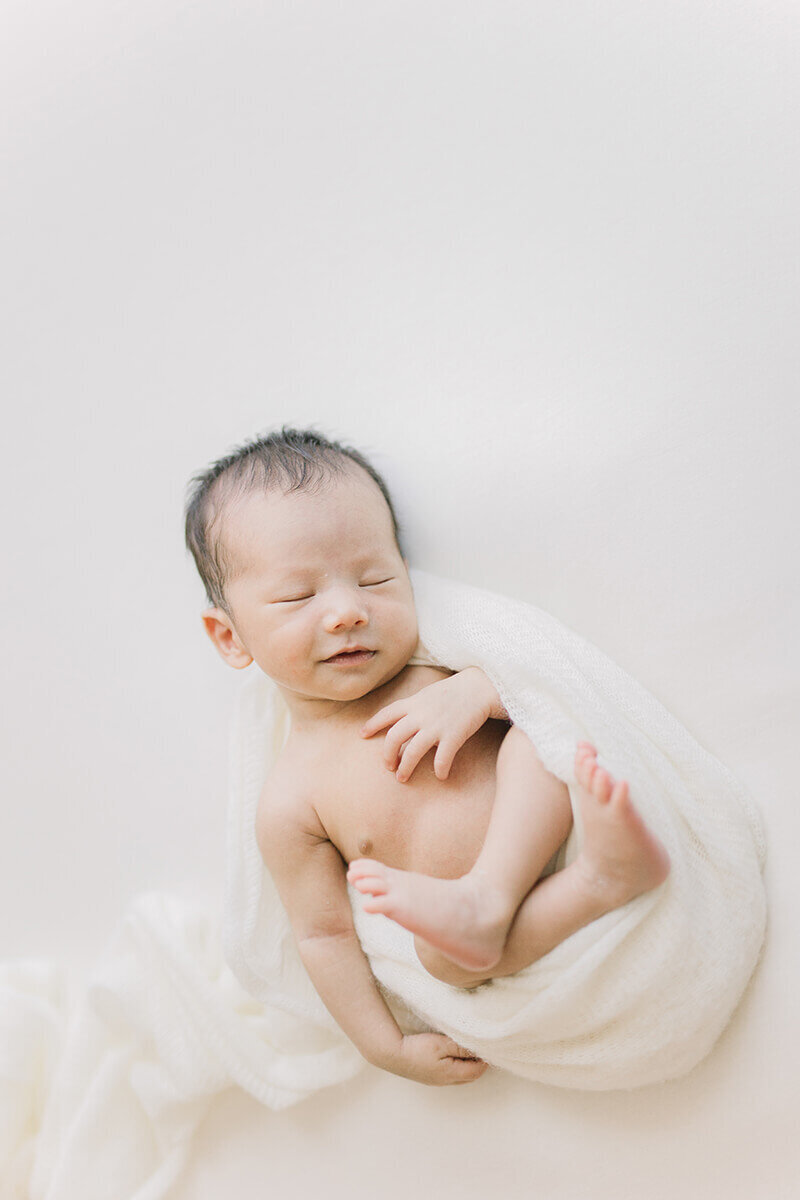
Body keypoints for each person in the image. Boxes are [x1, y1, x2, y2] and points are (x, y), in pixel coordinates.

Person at [185, 428, 670, 1086]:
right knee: (439, 959)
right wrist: (382, 1046)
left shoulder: (439, 669)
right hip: (488, 934)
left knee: (538, 738)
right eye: (299, 597)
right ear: (229, 636)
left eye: (374, 578)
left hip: (540, 837)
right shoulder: (290, 800)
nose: (347, 611)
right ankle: (601, 882)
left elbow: (550, 684)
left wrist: (479, 691)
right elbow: (324, 936)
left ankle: (492, 895)